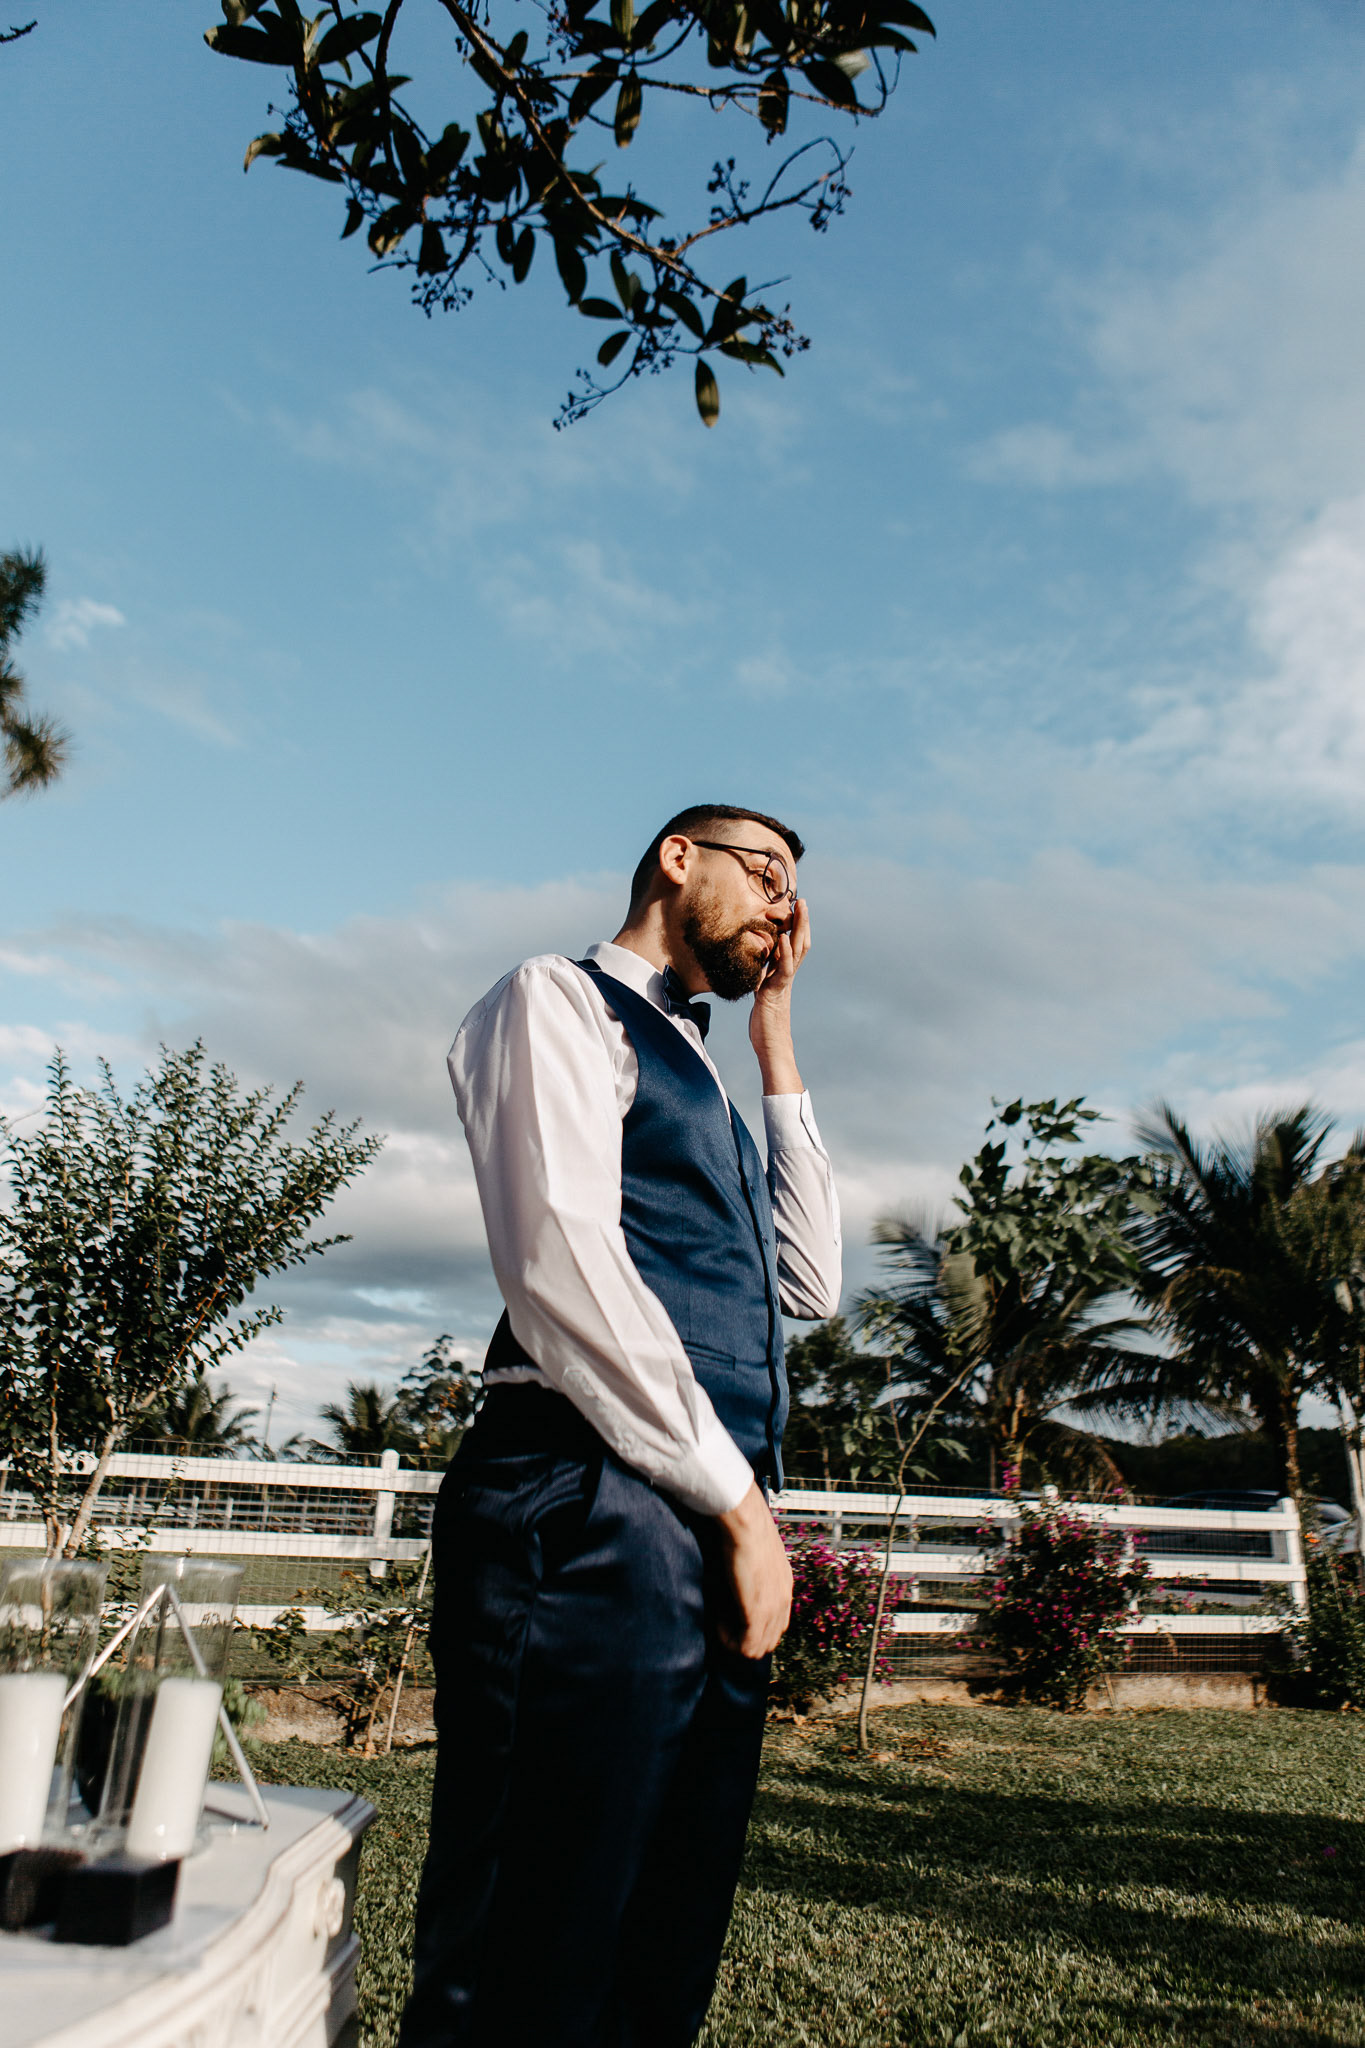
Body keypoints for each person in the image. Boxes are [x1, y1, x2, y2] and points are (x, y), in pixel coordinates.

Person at [400, 803, 842, 2048]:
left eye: (795, 892)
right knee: (538, 1928)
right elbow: (559, 1257)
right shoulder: (556, 998)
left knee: (666, 1929)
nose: (785, 908)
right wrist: (742, 1504)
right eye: (767, 873)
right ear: (677, 859)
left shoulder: (705, 1074)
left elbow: (809, 1278)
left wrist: (774, 1036)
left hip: (700, 1519)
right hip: (584, 1498)